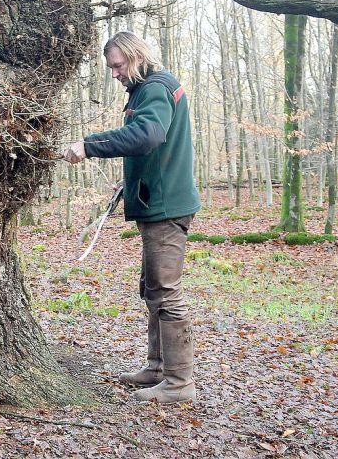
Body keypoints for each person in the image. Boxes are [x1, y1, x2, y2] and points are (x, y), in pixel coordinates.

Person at [63, 31, 201, 404]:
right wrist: (129, 183)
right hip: (157, 200)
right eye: (110, 68)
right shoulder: (148, 90)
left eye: (118, 65)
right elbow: (155, 149)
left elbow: (146, 136)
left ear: (135, 56)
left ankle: (178, 382)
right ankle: (157, 368)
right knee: (152, 288)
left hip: (166, 208)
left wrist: (88, 145)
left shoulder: (156, 87)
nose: (115, 74)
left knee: (165, 292)